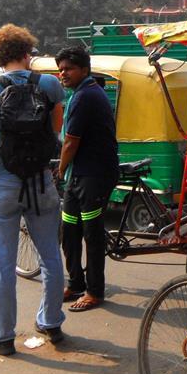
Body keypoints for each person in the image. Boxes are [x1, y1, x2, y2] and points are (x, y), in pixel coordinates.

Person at [0, 24, 66, 355]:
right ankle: (51, 322)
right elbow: (55, 132)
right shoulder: (50, 84)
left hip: (4, 183)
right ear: (28, 53)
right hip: (41, 182)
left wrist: (1, 138)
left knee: (3, 262)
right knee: (51, 257)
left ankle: (3, 336)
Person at [56, 46, 119, 312]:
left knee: (92, 235)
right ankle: (76, 282)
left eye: (68, 69)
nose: (63, 74)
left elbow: (71, 143)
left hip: (93, 175)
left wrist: (60, 169)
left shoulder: (86, 96)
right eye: (60, 70)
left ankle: (94, 291)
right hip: (80, 175)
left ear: (83, 69)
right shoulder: (81, 93)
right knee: (68, 230)